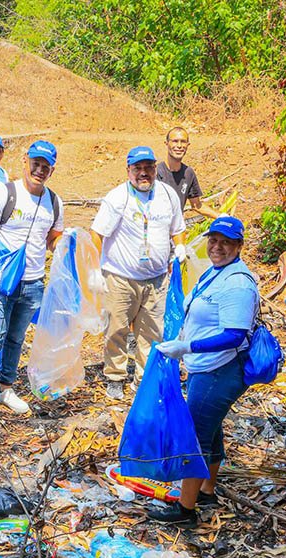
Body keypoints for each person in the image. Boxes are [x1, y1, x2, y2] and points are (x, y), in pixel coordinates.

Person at [150, 216, 258, 527]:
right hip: (204, 367)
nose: (217, 246)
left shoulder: (237, 283)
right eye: (214, 240)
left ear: (238, 246)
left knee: (195, 434)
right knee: (211, 427)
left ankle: (185, 509)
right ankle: (207, 489)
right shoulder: (217, 273)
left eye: (226, 242)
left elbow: (234, 335)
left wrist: (187, 348)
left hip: (220, 369)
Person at [0, 140, 64, 429]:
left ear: (52, 170)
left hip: (32, 282)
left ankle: (5, 386)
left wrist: (65, 243)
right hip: (0, 281)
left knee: (16, 338)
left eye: (46, 166)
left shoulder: (54, 202)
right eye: (36, 163)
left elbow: (52, 239)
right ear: (25, 161)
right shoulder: (5, 195)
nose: (39, 170)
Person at [92, 146, 186, 399]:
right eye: (138, 169)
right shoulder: (117, 198)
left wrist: (180, 246)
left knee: (151, 333)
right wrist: (94, 269)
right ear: (129, 171)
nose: (143, 173)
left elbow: (177, 227)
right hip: (121, 278)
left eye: (148, 168)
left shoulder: (167, 195)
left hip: (156, 280)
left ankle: (143, 380)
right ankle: (115, 375)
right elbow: (97, 233)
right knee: (117, 329)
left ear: (156, 169)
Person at [156, 127, 218, 221]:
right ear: (167, 143)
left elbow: (196, 205)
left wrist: (222, 216)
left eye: (183, 141)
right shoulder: (156, 173)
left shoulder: (188, 173)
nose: (179, 145)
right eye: (175, 141)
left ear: (188, 145)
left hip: (177, 231)